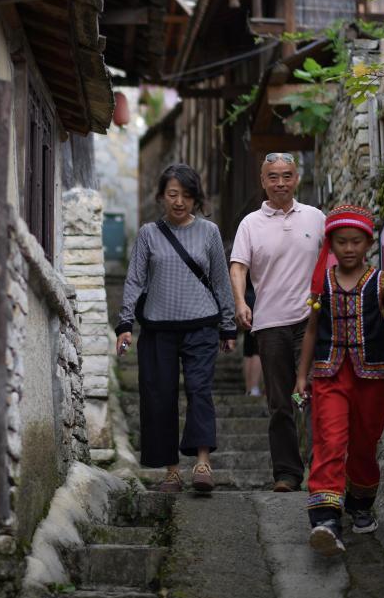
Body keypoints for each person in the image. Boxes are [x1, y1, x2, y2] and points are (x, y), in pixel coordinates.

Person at [294, 205, 384, 555]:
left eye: (356, 242)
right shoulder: (322, 284)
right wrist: (301, 377)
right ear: (330, 245)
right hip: (329, 375)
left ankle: (360, 504)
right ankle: (325, 519)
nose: (349, 249)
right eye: (341, 242)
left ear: (368, 243)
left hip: (373, 378)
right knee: (330, 441)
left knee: (364, 446)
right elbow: (310, 332)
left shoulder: (381, 281)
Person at [115, 164, 237, 493]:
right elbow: (134, 280)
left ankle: (202, 462)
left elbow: (220, 281)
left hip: (201, 326)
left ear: (196, 199)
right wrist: (125, 323)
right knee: (159, 396)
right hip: (157, 328)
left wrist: (228, 325)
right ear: (161, 197)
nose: (179, 201)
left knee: (199, 390)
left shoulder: (209, 233)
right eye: (172, 194)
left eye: (186, 195)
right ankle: (172, 472)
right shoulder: (148, 234)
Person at [229, 153, 325, 492]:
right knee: (281, 401)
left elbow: (330, 263)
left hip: (310, 322)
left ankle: (321, 470)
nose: (280, 183)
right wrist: (241, 302)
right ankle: (287, 472)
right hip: (269, 324)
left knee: (312, 394)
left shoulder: (316, 218)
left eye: (286, 175)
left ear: (297, 178)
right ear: (263, 180)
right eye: (273, 177)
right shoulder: (250, 224)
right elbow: (238, 266)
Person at [242, 276, 263, 396]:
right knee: (256, 350)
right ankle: (254, 387)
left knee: (248, 349)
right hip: (257, 302)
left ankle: (249, 388)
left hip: (245, 303)